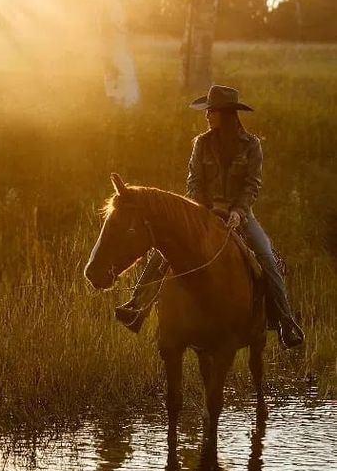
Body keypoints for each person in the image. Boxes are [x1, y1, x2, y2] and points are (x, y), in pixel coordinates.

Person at [115, 84, 304, 348]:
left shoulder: (251, 146)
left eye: (211, 110)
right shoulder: (201, 144)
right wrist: (202, 210)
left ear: (226, 114)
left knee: (267, 258)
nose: (207, 115)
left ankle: (285, 322)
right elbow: (194, 181)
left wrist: (237, 212)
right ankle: (137, 306)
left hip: (241, 216)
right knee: (163, 248)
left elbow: (252, 184)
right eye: (207, 110)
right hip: (203, 214)